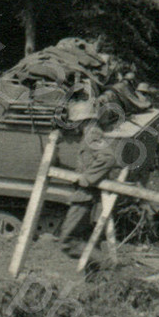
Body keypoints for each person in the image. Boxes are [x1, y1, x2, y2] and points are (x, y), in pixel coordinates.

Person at [56, 107, 119, 258]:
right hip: (89, 196)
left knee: (67, 241)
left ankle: (107, 264)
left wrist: (87, 178)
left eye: (74, 122)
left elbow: (108, 157)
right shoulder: (90, 133)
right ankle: (96, 278)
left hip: (85, 196)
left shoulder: (92, 134)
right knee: (87, 240)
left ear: (81, 121)